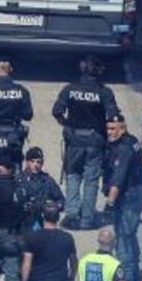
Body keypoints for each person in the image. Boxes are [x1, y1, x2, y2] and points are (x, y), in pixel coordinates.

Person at [52, 57, 120, 230]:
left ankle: (72, 215)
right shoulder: (104, 92)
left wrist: (66, 124)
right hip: (95, 140)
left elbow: (57, 111)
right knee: (91, 180)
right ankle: (87, 219)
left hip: (74, 139)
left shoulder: (70, 89)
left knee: (73, 175)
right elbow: (113, 116)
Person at [102, 113, 142, 274]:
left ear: (123, 128)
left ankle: (128, 279)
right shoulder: (132, 141)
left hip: (127, 198)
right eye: (107, 128)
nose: (109, 132)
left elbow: (117, 180)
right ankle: (133, 271)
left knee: (123, 238)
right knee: (130, 235)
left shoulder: (123, 149)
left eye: (113, 129)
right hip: (135, 194)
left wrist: (109, 204)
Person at [21, 203, 79, 281]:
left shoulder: (33, 237)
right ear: (58, 217)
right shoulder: (67, 238)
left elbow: (26, 264)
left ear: (43, 215)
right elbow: (74, 262)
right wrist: (71, 279)